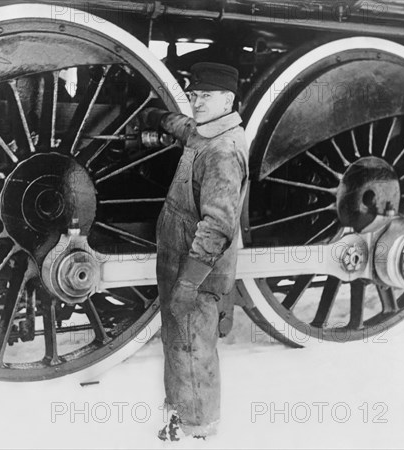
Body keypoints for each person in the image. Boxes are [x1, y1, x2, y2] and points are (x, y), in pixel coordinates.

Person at [141, 62, 249, 441]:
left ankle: (200, 428)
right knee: (180, 343)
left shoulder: (222, 150)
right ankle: (180, 419)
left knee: (193, 347)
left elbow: (218, 225)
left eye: (205, 96)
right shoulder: (205, 133)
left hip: (196, 271)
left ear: (227, 99)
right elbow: (186, 128)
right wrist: (160, 117)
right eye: (194, 95)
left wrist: (188, 283)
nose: (196, 101)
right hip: (180, 263)